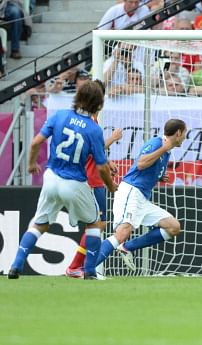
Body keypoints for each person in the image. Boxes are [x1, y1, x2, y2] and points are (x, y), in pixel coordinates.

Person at [7, 80, 118, 279]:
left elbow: (35, 142)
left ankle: (16, 265)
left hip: (51, 178)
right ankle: (90, 272)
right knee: (94, 224)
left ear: (77, 96)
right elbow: (101, 166)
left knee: (39, 224)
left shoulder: (59, 116)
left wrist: (32, 163)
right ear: (99, 104)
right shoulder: (93, 129)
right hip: (74, 182)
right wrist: (111, 186)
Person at [93, 119, 187, 272]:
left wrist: (159, 176)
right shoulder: (158, 143)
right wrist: (163, 149)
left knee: (173, 227)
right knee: (122, 232)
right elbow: (141, 164)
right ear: (178, 133)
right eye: (185, 133)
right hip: (131, 191)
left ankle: (127, 247)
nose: (185, 137)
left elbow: (147, 167)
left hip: (142, 197)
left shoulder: (166, 150)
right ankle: (87, 269)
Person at [66, 124, 123, 279]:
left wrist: (106, 161)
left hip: (96, 181)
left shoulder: (92, 119)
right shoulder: (89, 121)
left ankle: (81, 267)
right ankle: (78, 268)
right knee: (96, 225)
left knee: (100, 225)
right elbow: (92, 149)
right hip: (90, 181)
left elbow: (94, 152)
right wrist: (113, 139)